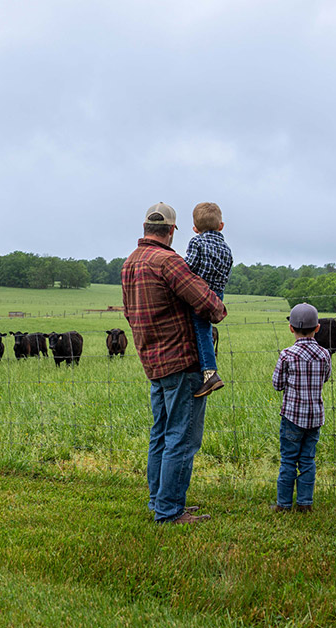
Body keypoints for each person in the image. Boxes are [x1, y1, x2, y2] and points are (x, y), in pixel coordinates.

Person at [122, 202, 228, 524]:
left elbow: (129, 313)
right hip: (182, 361)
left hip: (153, 362)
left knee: (161, 434)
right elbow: (208, 302)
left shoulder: (130, 263)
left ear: (145, 229)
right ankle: (170, 512)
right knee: (182, 437)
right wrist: (218, 310)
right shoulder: (169, 262)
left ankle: (160, 501)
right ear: (171, 231)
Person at [271, 303, 331, 513]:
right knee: (307, 460)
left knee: (288, 459)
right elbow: (325, 378)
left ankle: (283, 504)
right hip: (315, 417)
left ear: (291, 328)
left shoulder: (287, 355)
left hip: (292, 417)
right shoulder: (324, 354)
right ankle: (305, 503)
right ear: (317, 328)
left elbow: (277, 385)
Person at [184, 202, 233, 398]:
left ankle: (209, 372)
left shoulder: (197, 242)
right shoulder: (227, 248)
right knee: (205, 329)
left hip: (200, 293)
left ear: (195, 228)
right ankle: (207, 370)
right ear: (221, 226)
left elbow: (187, 267)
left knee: (200, 329)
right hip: (217, 296)